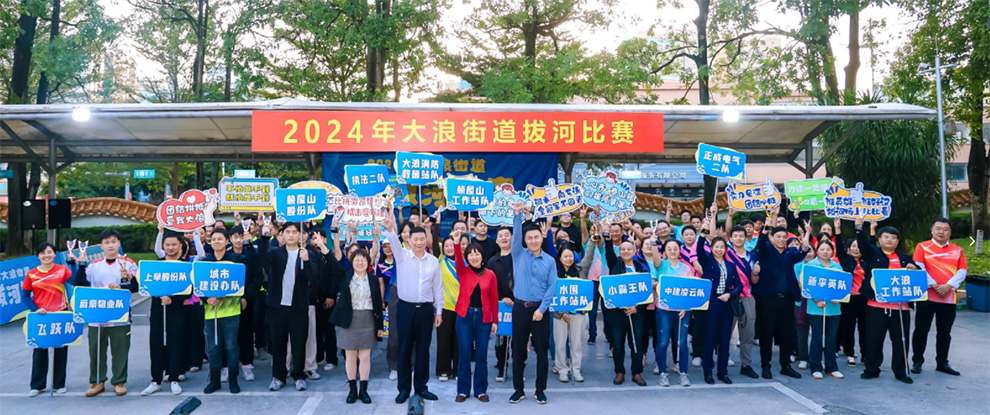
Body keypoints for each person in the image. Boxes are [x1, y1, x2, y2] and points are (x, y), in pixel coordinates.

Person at [384, 212, 444, 404]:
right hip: (405, 309)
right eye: (415, 239)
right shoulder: (402, 257)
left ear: (426, 240)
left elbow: (438, 289)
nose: (418, 242)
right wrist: (390, 225)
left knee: (423, 350)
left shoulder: (434, 262)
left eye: (422, 239)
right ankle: (403, 389)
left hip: (426, 310)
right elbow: (393, 238)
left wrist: (439, 311)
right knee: (404, 349)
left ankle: (421, 387)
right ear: (409, 240)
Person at [71, 230, 140, 397]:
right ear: (101, 245)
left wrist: (121, 287)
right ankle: (97, 381)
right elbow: (80, 284)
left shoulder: (128, 263)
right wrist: (80, 266)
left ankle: (119, 381)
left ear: (119, 244)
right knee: (96, 350)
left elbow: (135, 287)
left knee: (120, 350)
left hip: (120, 315)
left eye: (114, 241)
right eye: (107, 242)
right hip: (97, 315)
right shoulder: (94, 265)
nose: (110, 245)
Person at [258, 222, 318, 392]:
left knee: (299, 343)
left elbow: (313, 278)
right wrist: (264, 237)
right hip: (277, 307)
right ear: (282, 235)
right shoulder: (276, 253)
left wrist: (306, 261)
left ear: (300, 236)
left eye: (295, 232)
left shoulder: (307, 254)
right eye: (288, 232)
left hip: (298, 307)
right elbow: (262, 260)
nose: (291, 235)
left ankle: (299, 375)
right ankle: (278, 377)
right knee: (278, 344)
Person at [508, 202, 558, 405]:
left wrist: (542, 309)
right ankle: (518, 389)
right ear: (525, 240)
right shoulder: (518, 254)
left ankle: (540, 389)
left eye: (536, 236)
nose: (533, 240)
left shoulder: (549, 261)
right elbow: (517, 233)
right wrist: (517, 214)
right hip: (520, 308)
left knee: (542, 353)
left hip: (540, 311)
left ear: (542, 237)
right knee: (518, 351)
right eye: (529, 237)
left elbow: (552, 287)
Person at [751, 207, 809, 380]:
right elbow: (760, 243)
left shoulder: (791, 253)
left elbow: (803, 252)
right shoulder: (766, 251)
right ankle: (765, 365)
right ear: (772, 238)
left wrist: (806, 238)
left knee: (786, 334)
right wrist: (768, 224)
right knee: (766, 333)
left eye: (784, 237)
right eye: (779, 237)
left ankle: (785, 366)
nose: (782, 240)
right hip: (767, 299)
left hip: (787, 299)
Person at [856, 220, 917, 384]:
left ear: (898, 241)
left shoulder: (905, 258)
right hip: (876, 306)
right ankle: (872, 369)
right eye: (886, 237)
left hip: (900, 307)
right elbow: (863, 246)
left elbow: (917, 279)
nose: (890, 240)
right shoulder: (872, 254)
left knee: (901, 340)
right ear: (879, 239)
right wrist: (860, 228)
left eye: (894, 238)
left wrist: (913, 268)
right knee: (874, 339)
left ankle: (901, 371)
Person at [911, 218, 967, 376]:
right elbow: (918, 267)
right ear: (932, 230)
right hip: (926, 296)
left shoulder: (958, 250)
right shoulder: (922, 247)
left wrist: (948, 286)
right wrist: (935, 285)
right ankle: (917, 361)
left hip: (948, 298)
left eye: (945, 229)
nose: (941, 232)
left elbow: (962, 271)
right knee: (921, 330)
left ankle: (942, 363)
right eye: (938, 228)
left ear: (950, 232)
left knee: (945, 332)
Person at [330, 244, 385, 404]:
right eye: (356, 260)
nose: (360, 262)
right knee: (350, 356)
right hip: (349, 320)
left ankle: (364, 391)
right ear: (352, 261)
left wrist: (380, 326)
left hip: (367, 319)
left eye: (363, 260)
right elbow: (335, 261)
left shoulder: (373, 280)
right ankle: (352, 390)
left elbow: (378, 304)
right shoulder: (345, 277)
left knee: (365, 356)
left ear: (368, 263)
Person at [450, 229, 500, 402]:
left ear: (482, 256)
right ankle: (463, 390)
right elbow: (457, 258)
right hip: (464, 317)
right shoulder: (463, 272)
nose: (473, 257)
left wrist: (495, 321)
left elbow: (494, 299)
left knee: (481, 355)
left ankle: (480, 390)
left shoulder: (490, 275)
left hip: (484, 319)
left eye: (476, 253)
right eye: (470, 254)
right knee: (464, 354)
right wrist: (456, 243)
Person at [694, 214, 743, 385]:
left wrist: (730, 294)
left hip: (727, 303)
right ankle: (708, 371)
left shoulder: (731, 265)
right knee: (710, 337)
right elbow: (699, 249)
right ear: (712, 248)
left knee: (724, 339)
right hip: (712, 303)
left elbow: (739, 286)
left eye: (722, 247)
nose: (719, 249)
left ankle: (723, 372)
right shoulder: (707, 261)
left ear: (725, 249)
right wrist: (703, 231)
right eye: (716, 247)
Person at [141, 230, 188, 396]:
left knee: (176, 343)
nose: (171, 247)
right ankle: (156, 380)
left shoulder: (185, 265)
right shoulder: (156, 265)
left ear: (180, 245)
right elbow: (146, 287)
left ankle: (174, 378)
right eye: (167, 245)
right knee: (156, 343)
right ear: (163, 246)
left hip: (177, 311)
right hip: (158, 309)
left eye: (174, 244)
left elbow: (189, 291)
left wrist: (173, 300)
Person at [22, 242, 72, 396]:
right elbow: (25, 296)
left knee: (61, 349)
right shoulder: (31, 274)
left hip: (60, 314)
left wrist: (74, 263)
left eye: (49, 252)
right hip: (41, 316)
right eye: (42, 253)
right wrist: (36, 309)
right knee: (40, 350)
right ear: (38, 256)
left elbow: (75, 279)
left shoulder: (62, 270)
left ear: (55, 254)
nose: (46, 255)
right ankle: (37, 385)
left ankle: (59, 384)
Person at [199, 229, 245, 394]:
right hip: (211, 312)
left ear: (227, 241)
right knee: (213, 348)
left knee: (231, 346)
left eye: (220, 239)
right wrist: (206, 299)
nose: (216, 241)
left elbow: (241, 284)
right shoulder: (205, 262)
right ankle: (215, 381)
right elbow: (198, 288)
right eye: (213, 239)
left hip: (231, 311)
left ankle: (233, 380)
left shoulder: (236, 260)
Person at [603, 235, 650, 387]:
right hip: (617, 312)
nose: (626, 251)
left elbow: (646, 289)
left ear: (634, 250)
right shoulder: (614, 263)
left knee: (636, 343)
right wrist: (607, 237)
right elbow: (609, 251)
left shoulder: (641, 265)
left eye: (629, 249)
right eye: (623, 249)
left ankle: (637, 372)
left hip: (637, 311)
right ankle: (619, 371)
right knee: (617, 343)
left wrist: (637, 307)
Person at [795, 239, 845, 380]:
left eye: (828, 249)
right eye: (822, 249)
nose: (825, 252)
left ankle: (831, 367)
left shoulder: (837, 266)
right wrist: (816, 300)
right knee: (817, 337)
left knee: (831, 338)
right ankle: (815, 366)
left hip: (834, 309)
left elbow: (842, 286)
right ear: (817, 250)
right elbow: (804, 286)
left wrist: (838, 297)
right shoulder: (810, 266)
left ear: (832, 251)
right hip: (816, 308)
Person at [654, 239, 699, 387]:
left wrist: (685, 307)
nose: (672, 251)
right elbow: (655, 257)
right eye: (669, 249)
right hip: (664, 310)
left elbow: (690, 290)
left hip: (682, 311)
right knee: (662, 342)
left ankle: (683, 373)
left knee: (682, 343)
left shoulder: (687, 268)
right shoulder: (660, 265)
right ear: (665, 251)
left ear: (679, 250)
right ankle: (662, 373)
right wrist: (654, 243)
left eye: (675, 248)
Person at [722, 213, 758, 379]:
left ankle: (746, 364)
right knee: (726, 332)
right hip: (729, 297)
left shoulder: (752, 256)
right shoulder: (726, 253)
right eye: (735, 236)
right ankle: (723, 363)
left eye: (741, 235)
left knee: (748, 334)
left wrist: (756, 273)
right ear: (731, 238)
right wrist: (728, 215)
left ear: (746, 237)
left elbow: (754, 280)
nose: (738, 238)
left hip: (748, 297)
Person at [553, 244, 595, 384]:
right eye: (565, 256)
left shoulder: (580, 270)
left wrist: (594, 241)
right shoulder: (553, 272)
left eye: (570, 256)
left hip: (578, 313)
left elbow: (589, 257)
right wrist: (561, 312)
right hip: (560, 315)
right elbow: (551, 294)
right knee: (559, 343)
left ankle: (576, 369)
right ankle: (562, 369)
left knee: (576, 343)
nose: (568, 259)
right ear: (559, 258)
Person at [835, 219, 870, 367]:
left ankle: (865, 354)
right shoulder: (846, 261)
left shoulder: (867, 261)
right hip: (849, 299)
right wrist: (837, 229)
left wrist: (863, 228)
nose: (856, 249)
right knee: (848, 327)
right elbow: (839, 247)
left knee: (865, 328)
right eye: (853, 246)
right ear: (849, 249)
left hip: (865, 299)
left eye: (858, 246)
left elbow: (871, 243)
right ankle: (849, 353)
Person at [487, 226, 514, 382]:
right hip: (500, 305)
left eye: (507, 235)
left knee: (517, 340)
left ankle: (518, 367)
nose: (504, 238)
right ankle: (501, 366)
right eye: (501, 236)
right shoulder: (492, 261)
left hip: (518, 303)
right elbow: (489, 286)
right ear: (497, 240)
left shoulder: (519, 258)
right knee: (500, 339)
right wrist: (501, 298)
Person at [435, 236, 460, 382]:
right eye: (446, 246)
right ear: (443, 249)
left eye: (452, 245)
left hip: (461, 308)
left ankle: (458, 370)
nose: (450, 248)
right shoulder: (439, 262)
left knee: (459, 341)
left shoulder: (464, 263)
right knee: (443, 340)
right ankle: (443, 370)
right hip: (444, 307)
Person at [376, 237, 399, 381]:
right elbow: (381, 285)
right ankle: (394, 367)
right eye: (384, 246)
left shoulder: (401, 261)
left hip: (405, 300)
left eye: (390, 245)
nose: (387, 248)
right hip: (390, 302)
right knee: (393, 337)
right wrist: (382, 302)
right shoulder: (380, 266)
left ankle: (410, 365)